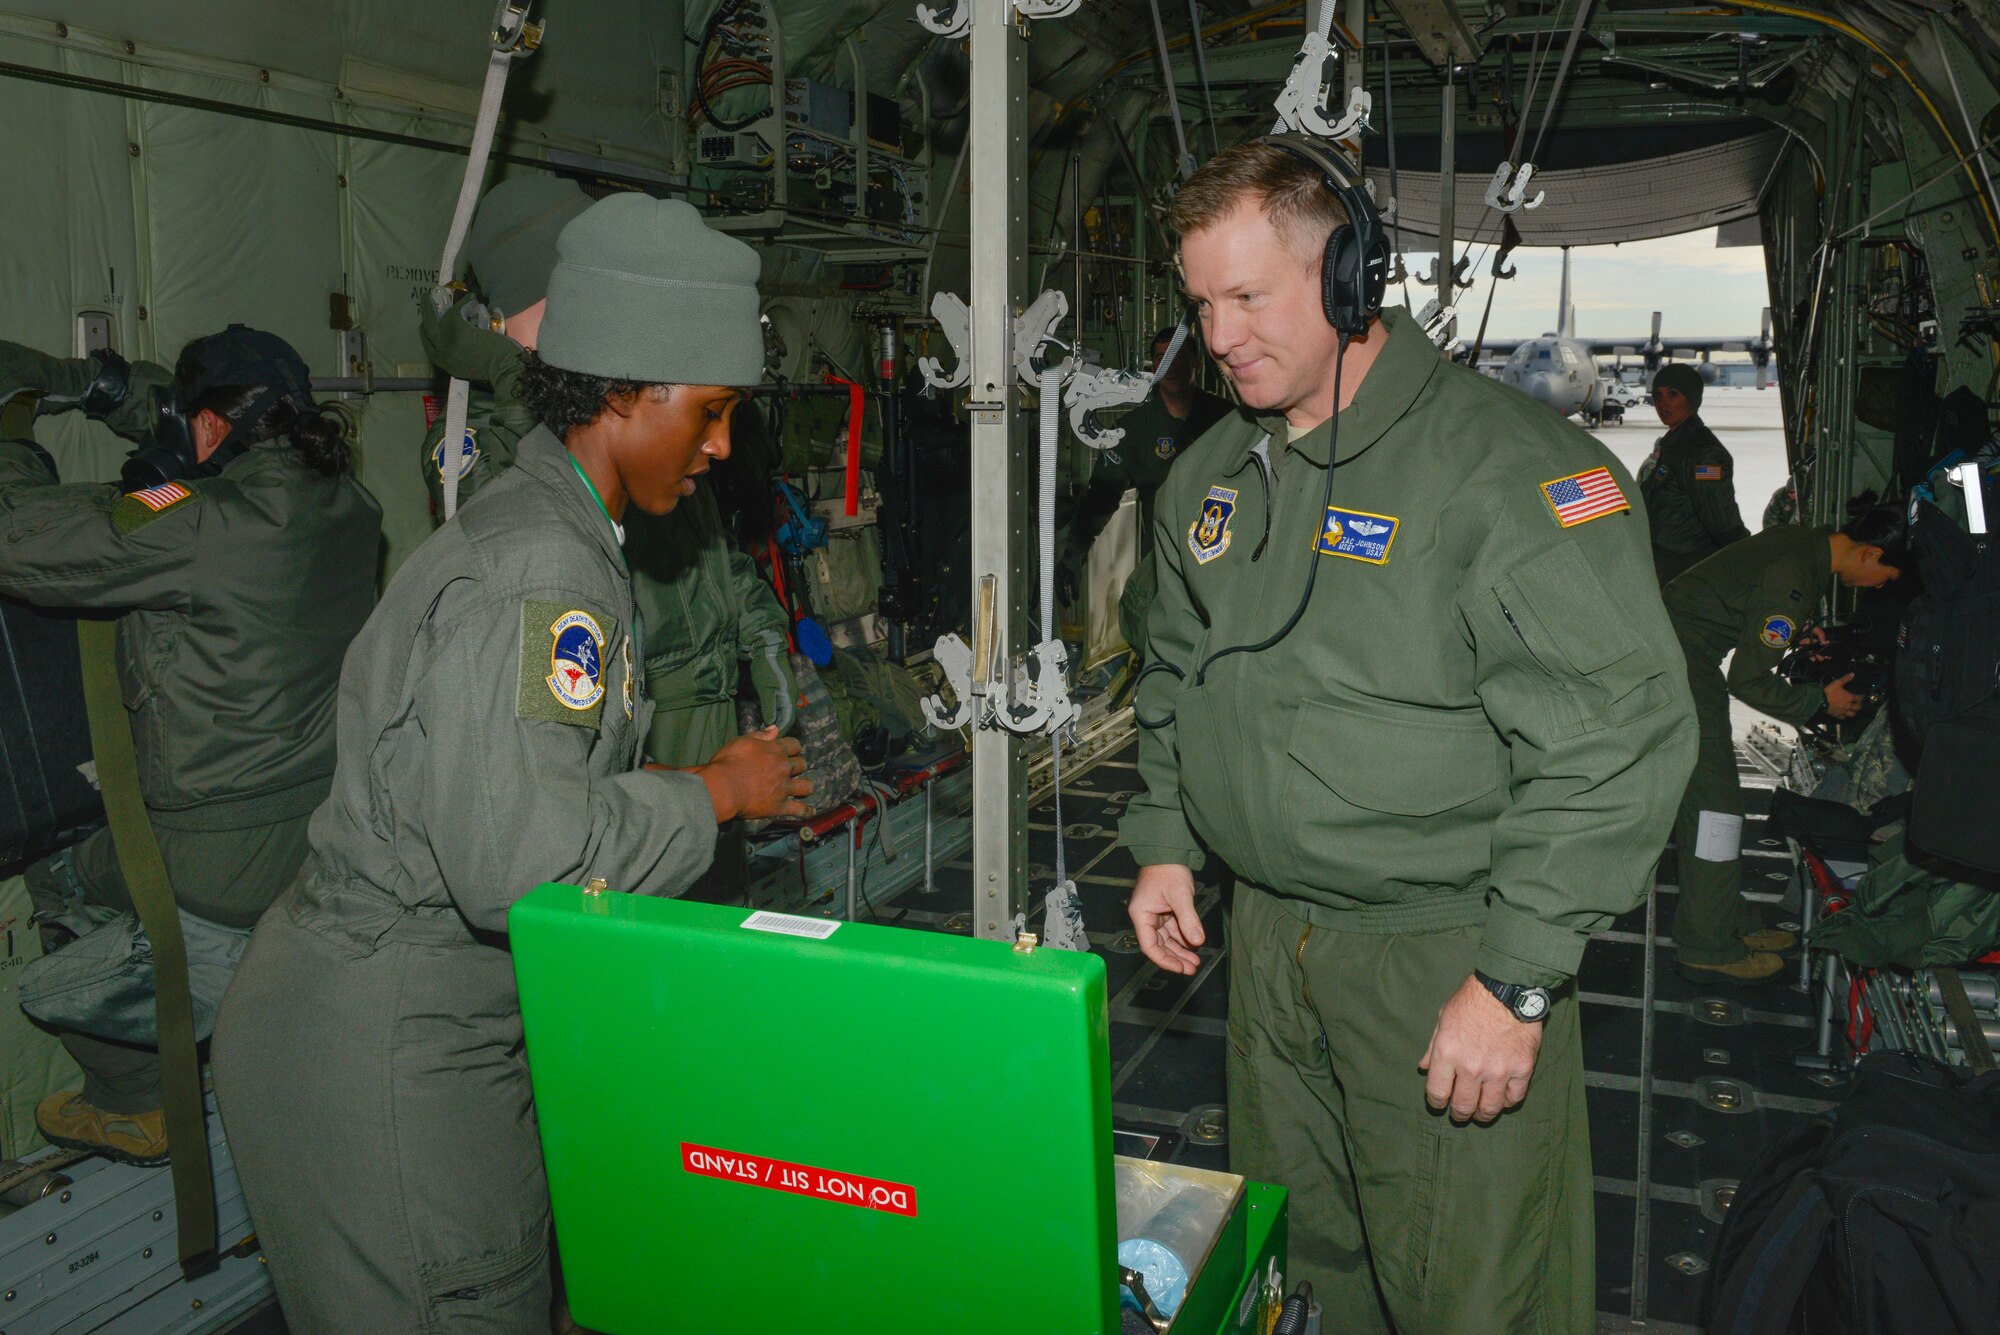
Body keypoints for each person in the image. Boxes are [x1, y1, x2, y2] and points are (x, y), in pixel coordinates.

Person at [1119, 138, 1696, 1333]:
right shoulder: (1211, 478)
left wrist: (1514, 980)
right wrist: (1168, 837)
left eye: (1246, 297)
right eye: (1197, 304)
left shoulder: (1512, 478)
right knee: (1302, 1272)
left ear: (1346, 280)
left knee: (1472, 1287)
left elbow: (1614, 742)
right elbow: (1174, 667)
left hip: (1441, 959)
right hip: (1270, 946)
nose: (1216, 338)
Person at [213, 195, 812, 1332]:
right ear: (627, 390)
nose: (724, 445)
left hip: (424, 1023)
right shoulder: (544, 571)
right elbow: (520, 865)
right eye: (713, 411)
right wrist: (715, 792)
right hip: (391, 1042)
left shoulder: (558, 528)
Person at [0, 328, 379, 1165]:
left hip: (212, 859)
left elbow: (21, 541)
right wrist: (98, 388)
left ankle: (135, 1094)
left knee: (57, 869)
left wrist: (10, 436)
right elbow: (200, 439)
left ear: (210, 428)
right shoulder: (346, 499)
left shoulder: (199, 522)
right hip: (316, 838)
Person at [419, 174, 799, 774]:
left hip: (711, 707)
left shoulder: (647, 416)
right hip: (623, 728)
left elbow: (711, 550)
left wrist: (763, 638)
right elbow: (529, 550)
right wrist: (512, 377)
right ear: (499, 322)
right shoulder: (470, 439)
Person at [1661, 506, 1906, 984]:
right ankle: (1707, 946)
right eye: (1883, 575)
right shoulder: (1795, 579)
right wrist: (1820, 703)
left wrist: (1797, 628)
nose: (1877, 586)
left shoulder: (1803, 544)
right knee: (1717, 812)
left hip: (1680, 653)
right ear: (1870, 552)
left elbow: (1756, 595)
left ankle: (1726, 921)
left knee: (1716, 809)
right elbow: (1747, 680)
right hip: (1679, 666)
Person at [1055, 327, 1230, 654]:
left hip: (1225, 567)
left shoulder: (1227, 421)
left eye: (1179, 358)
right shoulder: (1134, 429)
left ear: (1197, 364)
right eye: (1162, 359)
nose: (1171, 367)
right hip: (1163, 570)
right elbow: (1100, 498)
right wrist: (1072, 555)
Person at [1639, 362, 1750, 582]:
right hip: (1663, 564)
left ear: (1691, 398)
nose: (1663, 403)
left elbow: (1721, 520)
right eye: (1657, 395)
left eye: (1673, 394)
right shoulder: (1673, 444)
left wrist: (1747, 556)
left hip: (1686, 569)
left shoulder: (1704, 453)